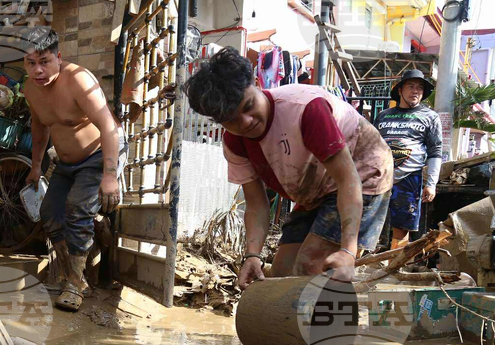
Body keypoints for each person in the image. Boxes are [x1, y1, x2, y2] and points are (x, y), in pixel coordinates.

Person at [183, 48, 393, 287]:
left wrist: (347, 250)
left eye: (248, 106)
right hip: (316, 187)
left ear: (257, 85)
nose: (246, 123)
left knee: (311, 264)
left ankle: (331, 319)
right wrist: (252, 255)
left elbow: (347, 179)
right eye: (231, 120)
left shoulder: (306, 109)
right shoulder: (234, 142)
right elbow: (256, 204)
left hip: (363, 174)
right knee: (282, 273)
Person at [21, 27, 127, 311]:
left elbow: (108, 126)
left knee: (78, 210)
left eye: (44, 61)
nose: (38, 70)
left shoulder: (78, 80)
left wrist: (109, 175)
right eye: (31, 63)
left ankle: (73, 285)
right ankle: (75, 274)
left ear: (58, 56)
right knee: (50, 215)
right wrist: (35, 167)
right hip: (66, 162)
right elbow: (39, 126)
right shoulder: (30, 88)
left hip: (98, 155)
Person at [373, 69, 442, 249]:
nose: (415, 91)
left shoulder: (430, 117)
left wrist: (431, 183)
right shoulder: (383, 115)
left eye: (419, 88)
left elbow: (435, 151)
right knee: (366, 222)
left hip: (409, 178)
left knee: (402, 227)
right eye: (411, 86)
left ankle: (394, 269)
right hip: (377, 176)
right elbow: (370, 146)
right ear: (400, 90)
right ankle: (354, 267)